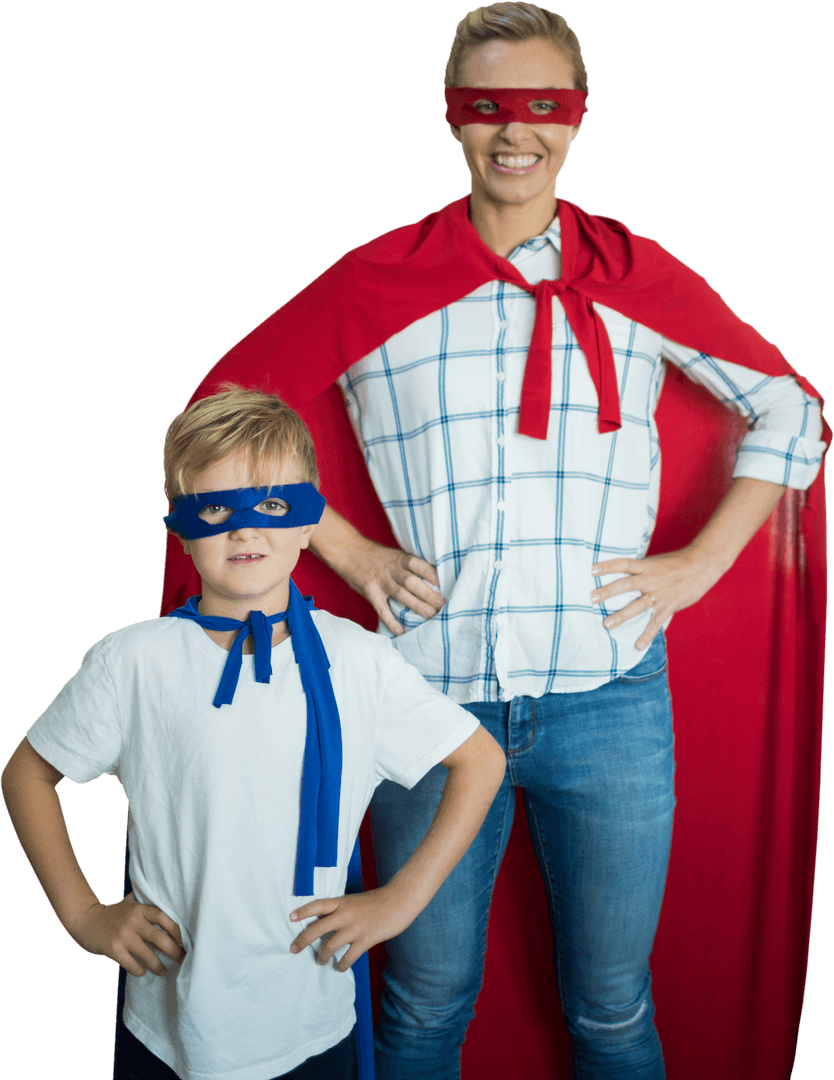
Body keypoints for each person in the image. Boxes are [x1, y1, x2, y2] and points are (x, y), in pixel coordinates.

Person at [156, 5, 827, 1079]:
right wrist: (345, 549)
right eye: (487, 106)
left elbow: (792, 409)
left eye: (543, 105)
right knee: (421, 1002)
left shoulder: (638, 281)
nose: (516, 131)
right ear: (452, 118)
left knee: (612, 1009)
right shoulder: (382, 283)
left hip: (609, 696)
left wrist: (702, 561)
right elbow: (223, 406)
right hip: (427, 700)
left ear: (578, 117)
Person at [0, 387, 506, 1080]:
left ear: (309, 525)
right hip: (169, 1027)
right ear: (181, 529)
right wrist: (84, 913)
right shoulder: (132, 662)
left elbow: (479, 760)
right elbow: (26, 772)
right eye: (215, 510)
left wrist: (399, 902)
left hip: (311, 1019)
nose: (244, 531)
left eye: (272, 506)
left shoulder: (359, 660)